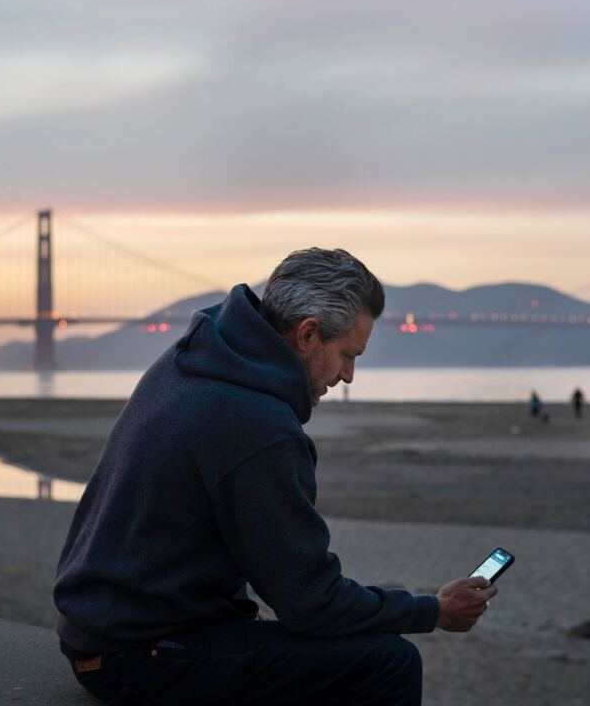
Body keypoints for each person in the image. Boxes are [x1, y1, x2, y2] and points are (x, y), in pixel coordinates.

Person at [54, 248, 497, 705]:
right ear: (307, 334)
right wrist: (433, 610)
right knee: (389, 662)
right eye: (348, 355)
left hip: (102, 629)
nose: (348, 375)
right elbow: (312, 603)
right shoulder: (255, 423)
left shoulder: (201, 357)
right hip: (134, 656)